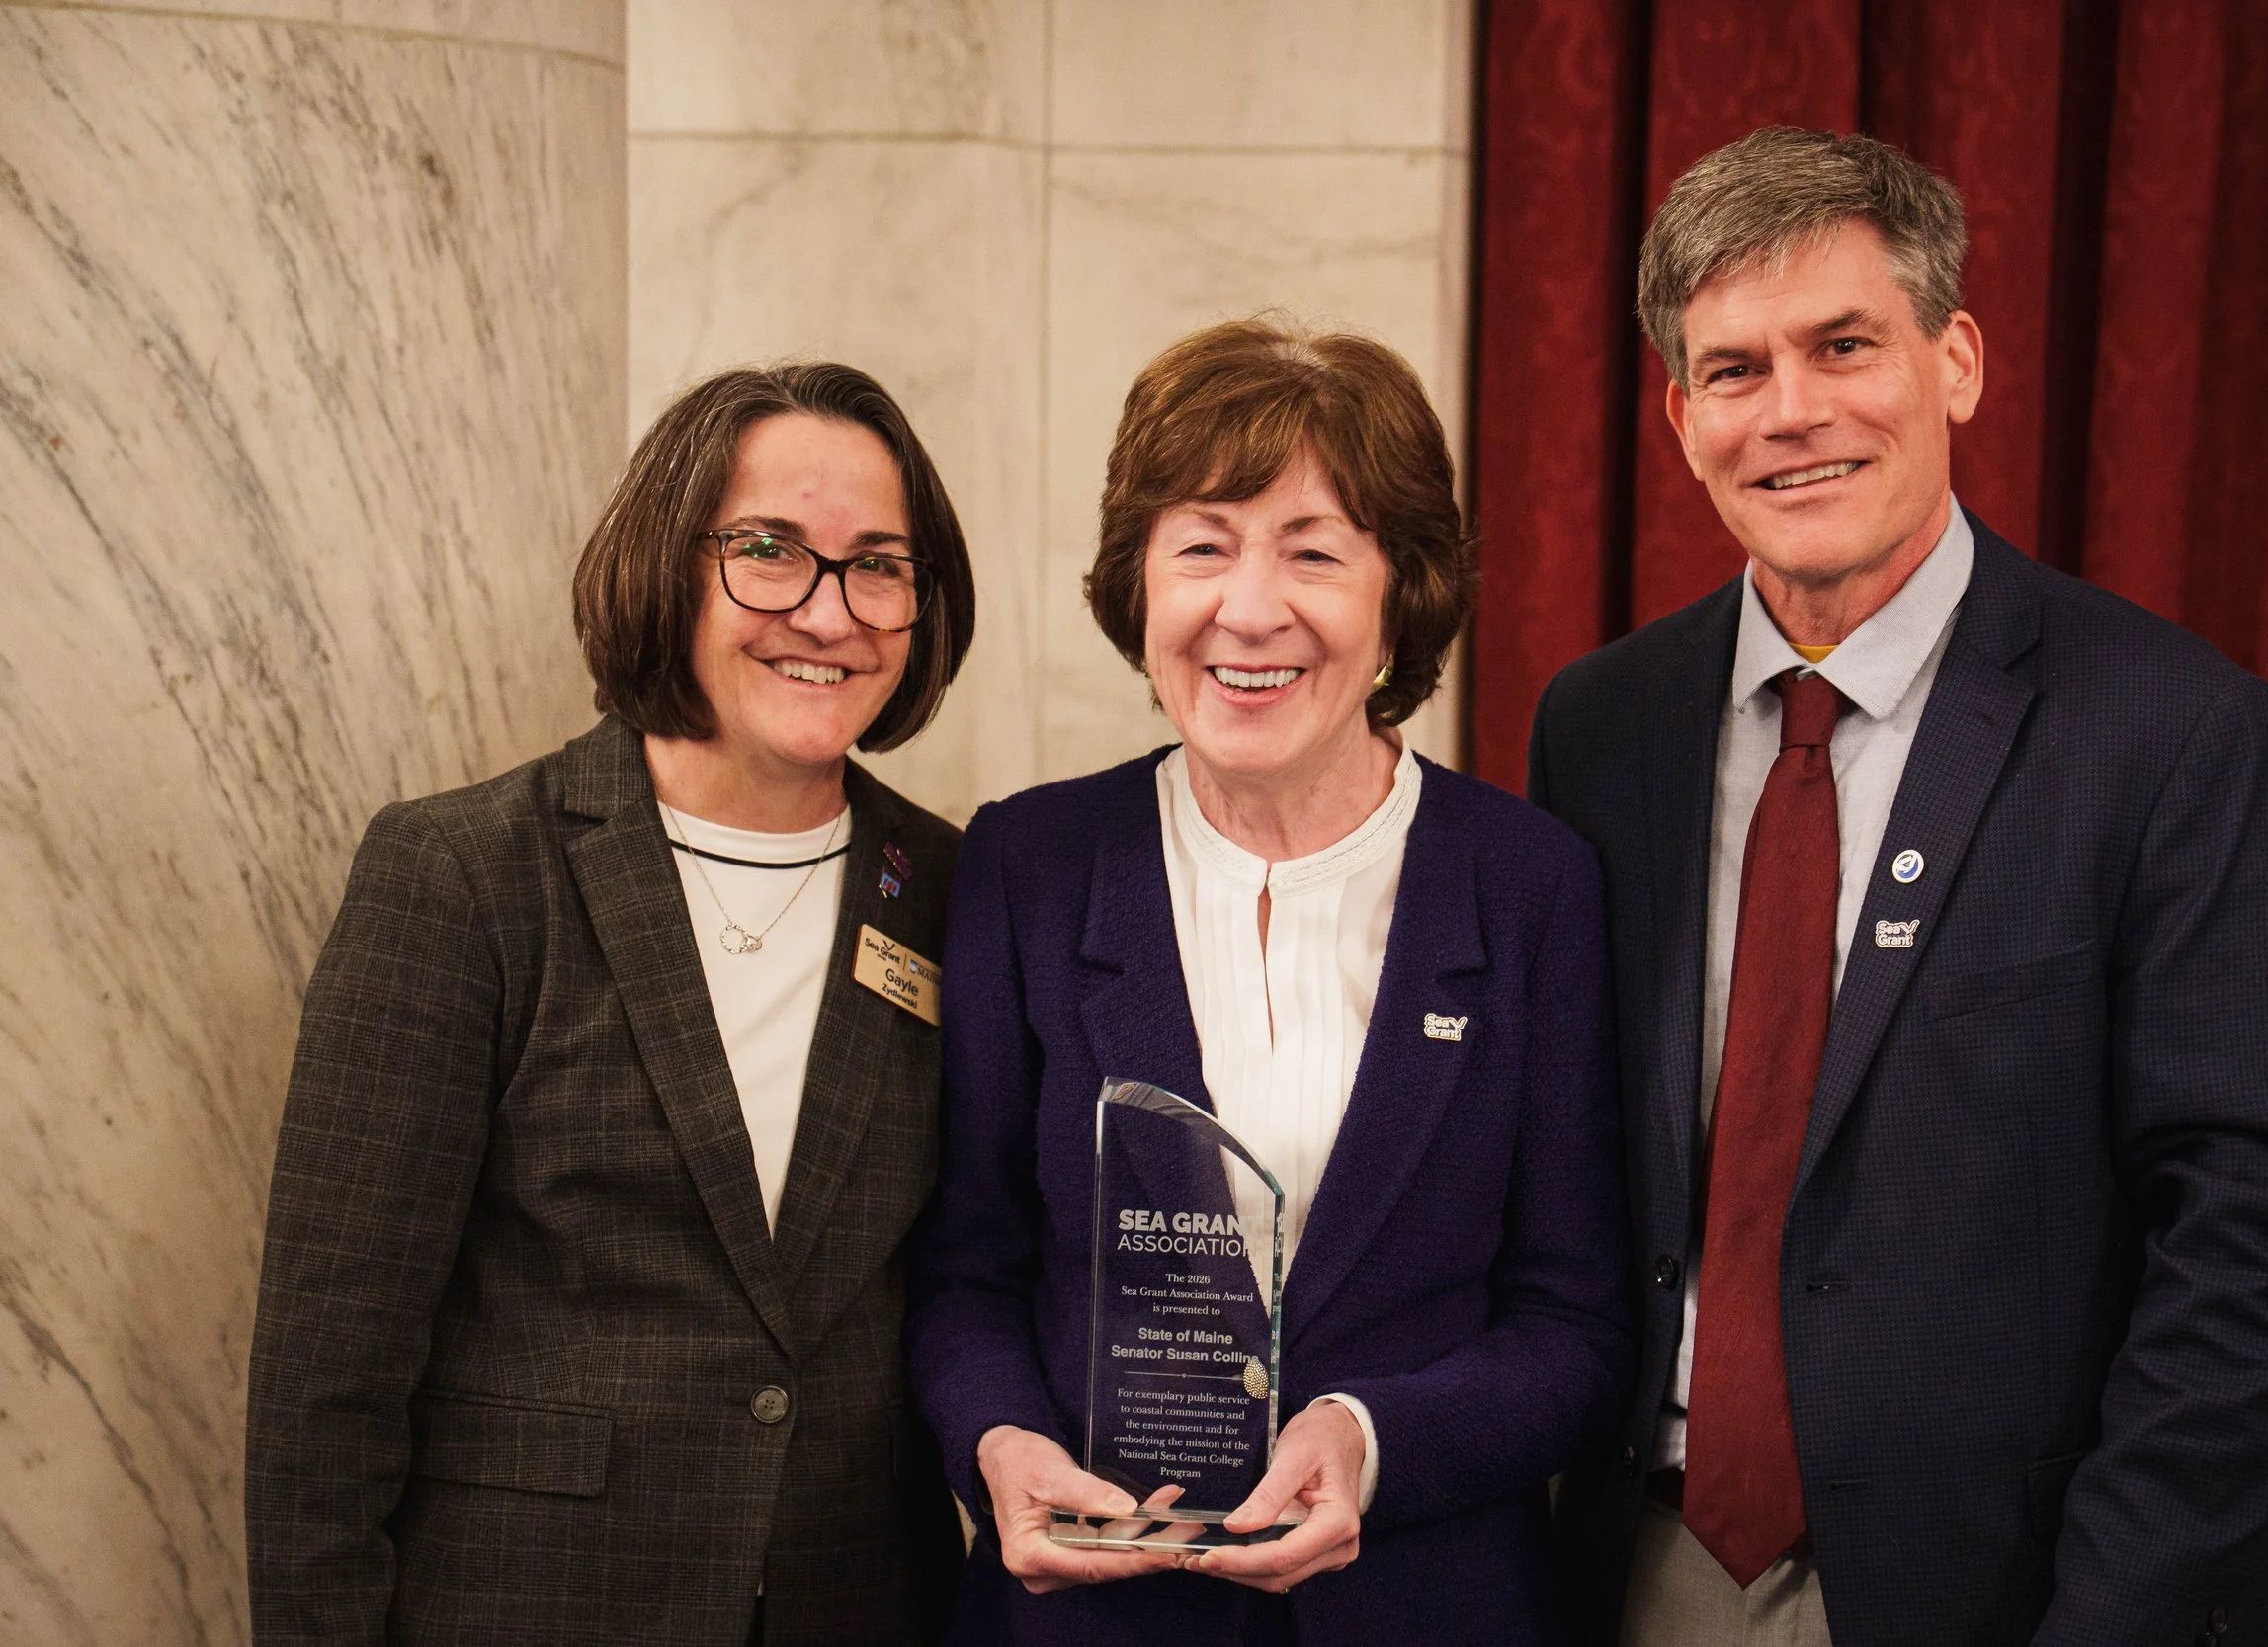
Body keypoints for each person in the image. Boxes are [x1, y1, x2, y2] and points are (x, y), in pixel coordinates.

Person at [1532, 127, 2268, 1647]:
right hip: (1640, 1572)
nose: (1791, 413)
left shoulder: (2175, 731)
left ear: (1957, 359)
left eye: (1843, 344)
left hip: (2030, 1588)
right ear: (1679, 417)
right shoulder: (1597, 728)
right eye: (1733, 370)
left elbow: (2254, 1248)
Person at [908, 316, 1633, 1645]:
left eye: (1312, 550)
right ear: (1140, 583)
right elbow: (968, 1270)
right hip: (1094, 1619)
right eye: (1201, 545)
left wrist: (1373, 1438)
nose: (1248, 608)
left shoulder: (1529, 883)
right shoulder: (1031, 861)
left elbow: (1576, 1320)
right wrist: (998, 1440)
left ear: (1401, 590)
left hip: (1426, 1608)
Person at [246, 363, 974, 1646]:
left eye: (878, 564)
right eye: (769, 550)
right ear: (666, 561)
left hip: (856, 1602)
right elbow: (330, 1376)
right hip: (531, 1602)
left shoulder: (954, 889)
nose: (828, 609)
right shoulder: (465, 874)